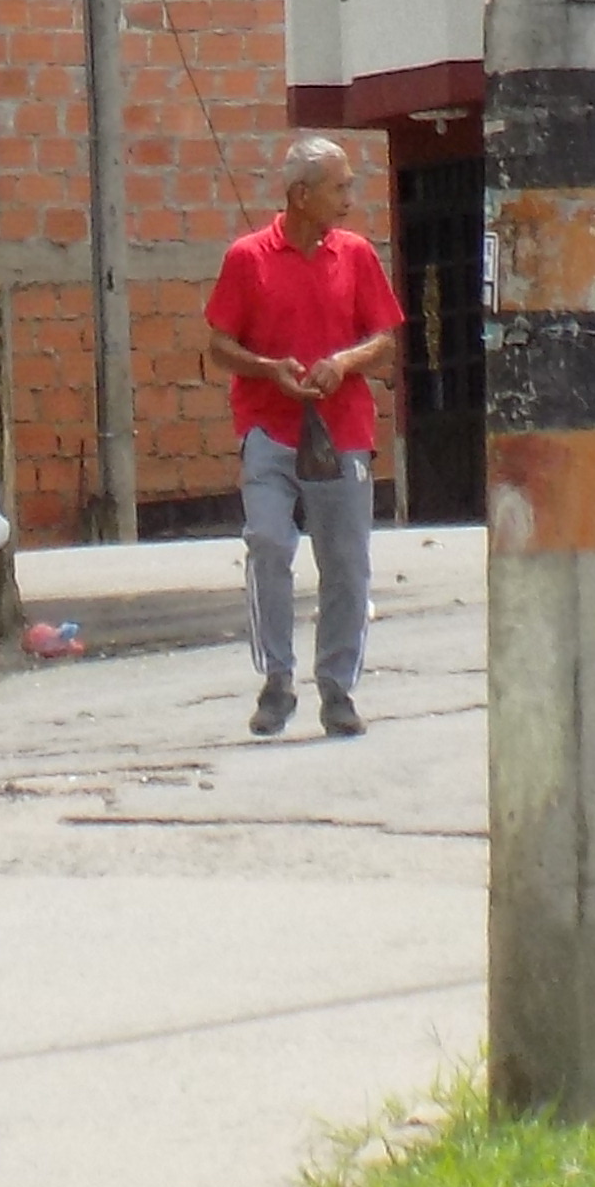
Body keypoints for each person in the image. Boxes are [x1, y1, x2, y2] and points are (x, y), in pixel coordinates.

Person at [202, 131, 405, 739]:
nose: (349, 196)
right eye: (338, 186)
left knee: (346, 564)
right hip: (270, 430)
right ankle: (277, 680)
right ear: (300, 194)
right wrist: (270, 370)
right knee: (267, 542)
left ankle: (337, 688)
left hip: (342, 432)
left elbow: (386, 342)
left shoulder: (357, 254)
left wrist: (343, 363)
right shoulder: (247, 258)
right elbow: (218, 345)